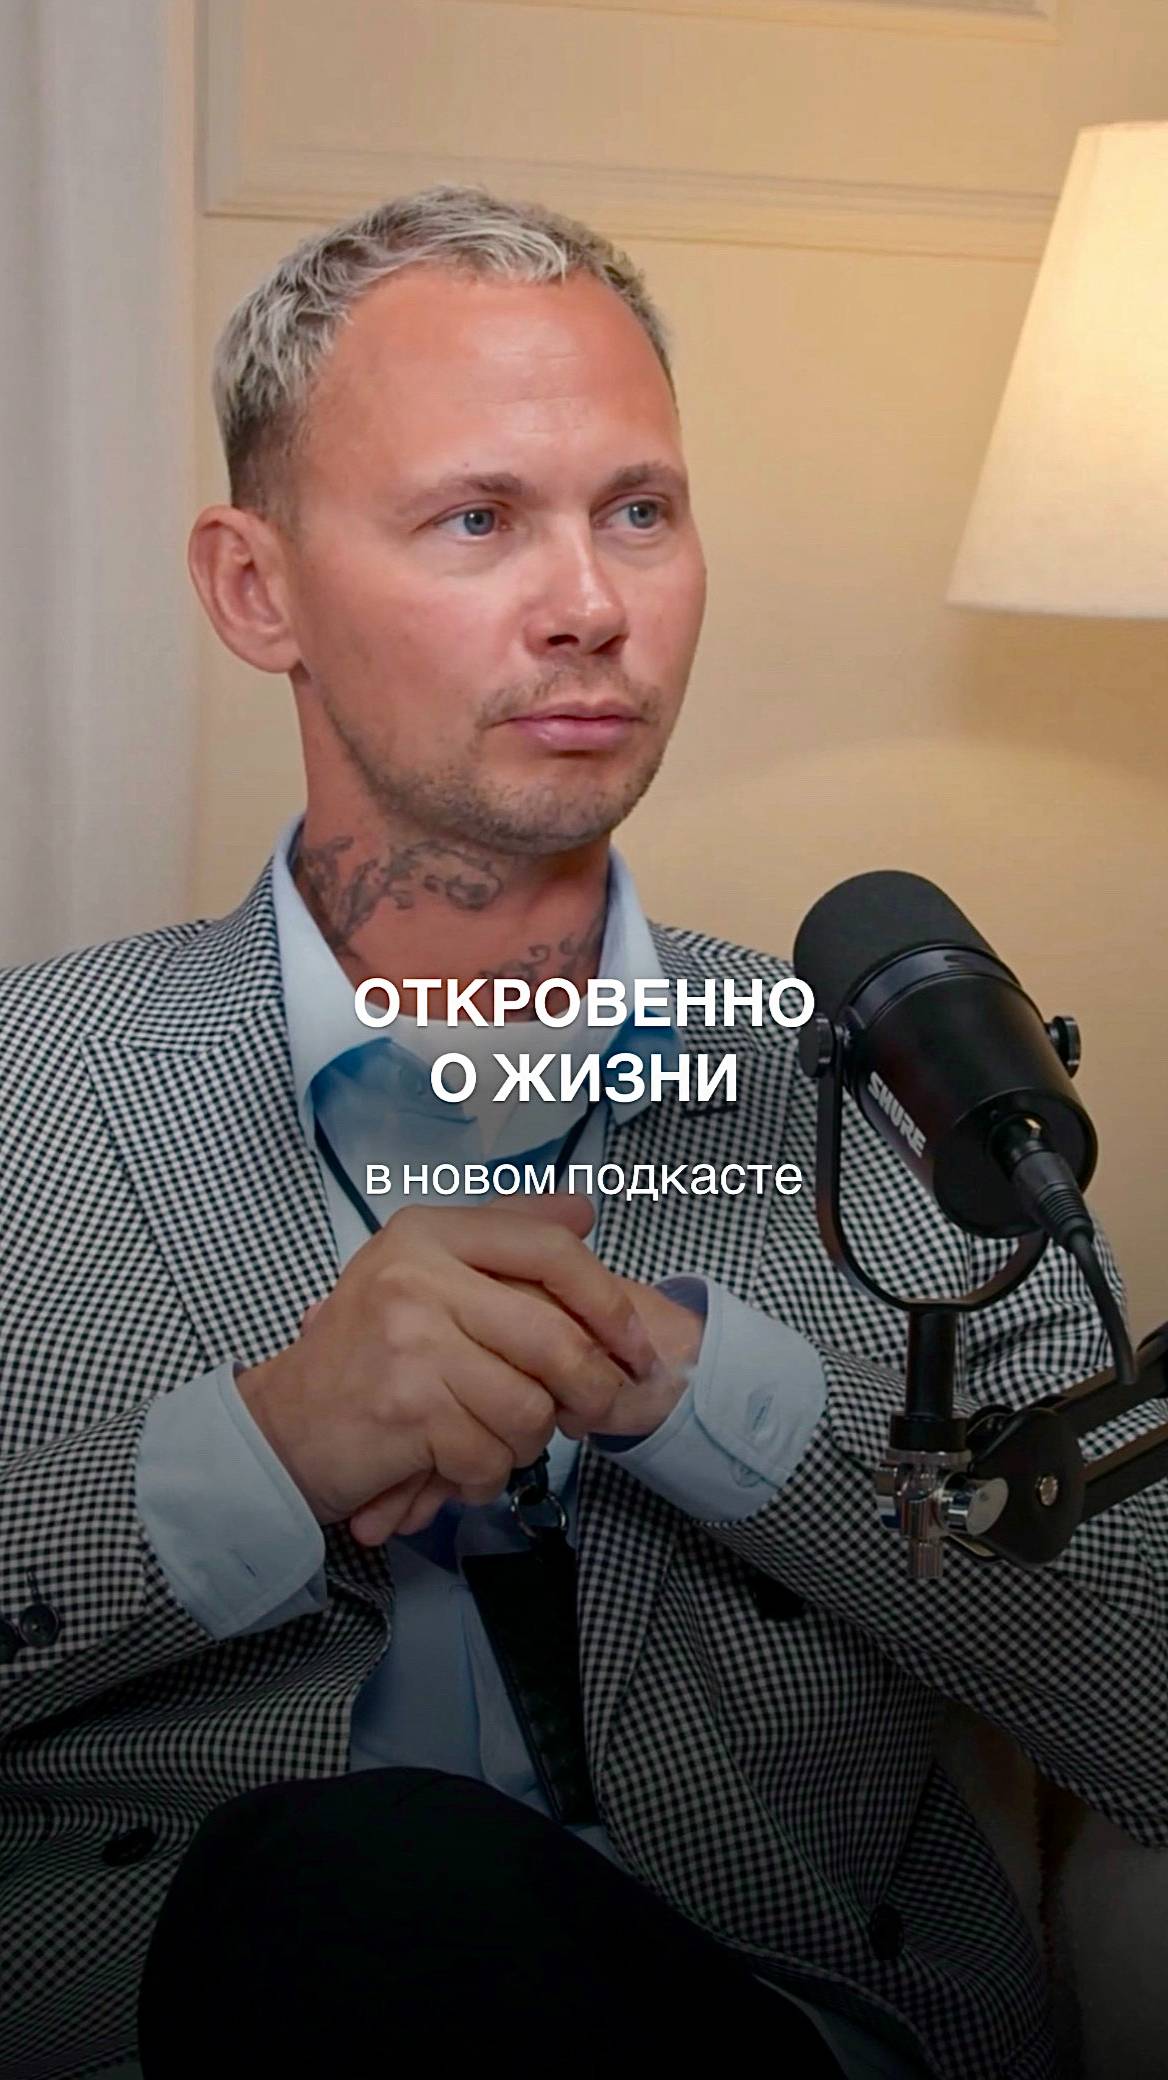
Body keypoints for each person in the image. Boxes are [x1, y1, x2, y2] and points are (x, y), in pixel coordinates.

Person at [0, 185, 1163, 2080]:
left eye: (639, 511)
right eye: (478, 520)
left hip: (775, 2023)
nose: (593, 606)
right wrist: (260, 1456)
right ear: (254, 590)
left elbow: (1154, 1707)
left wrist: (715, 1405)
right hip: (173, 2021)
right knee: (360, 1895)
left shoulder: (900, 1096)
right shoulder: (30, 1094)